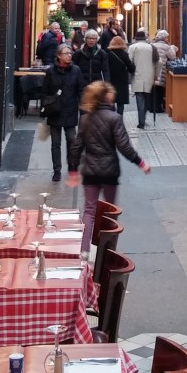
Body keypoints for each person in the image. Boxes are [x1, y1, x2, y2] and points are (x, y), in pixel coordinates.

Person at [67, 80, 150, 253]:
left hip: (90, 171)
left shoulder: (85, 119)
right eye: (111, 92)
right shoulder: (114, 118)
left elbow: (76, 146)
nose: (114, 94)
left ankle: (84, 251)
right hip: (109, 172)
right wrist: (140, 162)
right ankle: (105, 250)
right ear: (105, 96)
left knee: (89, 211)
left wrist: (73, 170)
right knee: (109, 211)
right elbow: (124, 146)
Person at [41, 43, 85, 183]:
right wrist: (45, 106)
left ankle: (72, 167)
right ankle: (57, 170)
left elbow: (81, 90)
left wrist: (84, 109)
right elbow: (45, 91)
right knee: (56, 143)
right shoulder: (51, 71)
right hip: (55, 111)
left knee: (71, 141)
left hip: (70, 110)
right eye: (66, 53)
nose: (69, 56)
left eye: (70, 53)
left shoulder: (76, 70)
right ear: (59, 56)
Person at [128, 27, 157, 129]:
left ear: (136, 38)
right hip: (149, 76)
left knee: (139, 99)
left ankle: (141, 122)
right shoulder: (152, 47)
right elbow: (159, 62)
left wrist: (130, 72)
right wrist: (156, 74)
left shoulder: (133, 47)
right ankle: (143, 117)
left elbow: (129, 61)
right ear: (145, 38)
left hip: (137, 76)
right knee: (147, 98)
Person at [107, 35, 135, 115]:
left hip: (111, 79)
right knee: (120, 102)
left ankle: (111, 117)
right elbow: (131, 68)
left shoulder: (108, 54)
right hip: (122, 80)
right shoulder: (124, 54)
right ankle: (119, 118)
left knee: (111, 100)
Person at [151, 29, 177, 114]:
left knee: (153, 88)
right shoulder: (166, 47)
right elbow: (172, 57)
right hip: (161, 69)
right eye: (166, 37)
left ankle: (151, 107)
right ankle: (158, 107)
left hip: (152, 69)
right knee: (159, 89)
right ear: (164, 38)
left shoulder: (152, 45)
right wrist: (173, 48)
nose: (167, 39)